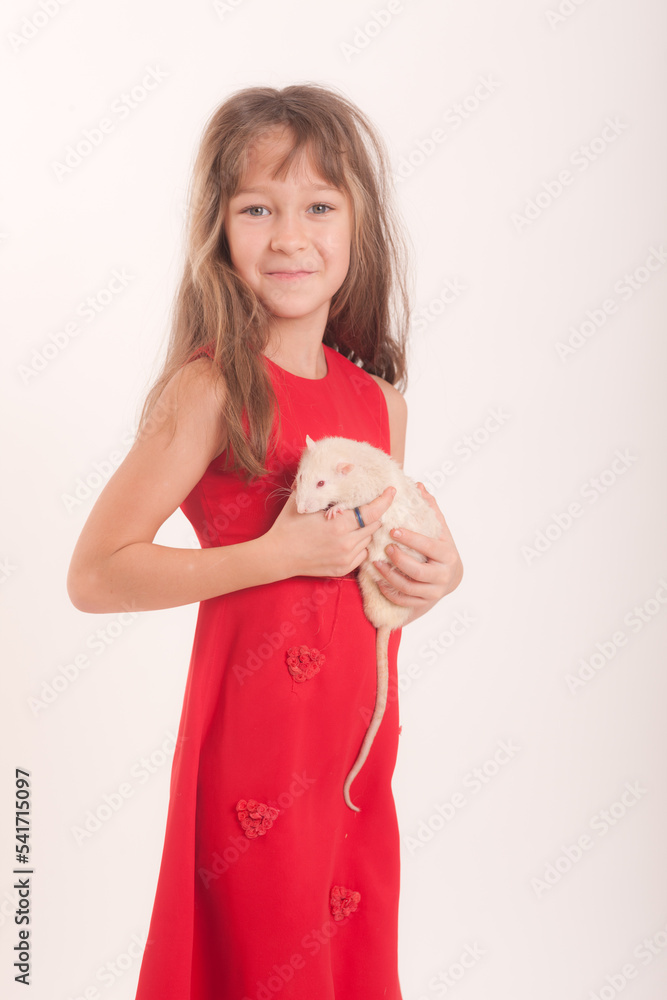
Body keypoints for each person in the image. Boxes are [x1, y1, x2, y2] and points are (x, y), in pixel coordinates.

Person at [67, 82, 463, 1000]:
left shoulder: (379, 404)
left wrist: (435, 575)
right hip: (254, 746)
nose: (290, 237)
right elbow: (95, 572)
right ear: (220, 229)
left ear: (358, 227)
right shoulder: (211, 391)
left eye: (319, 206)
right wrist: (273, 556)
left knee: (340, 960)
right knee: (263, 962)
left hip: (355, 747)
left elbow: (380, 563)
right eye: (258, 208)